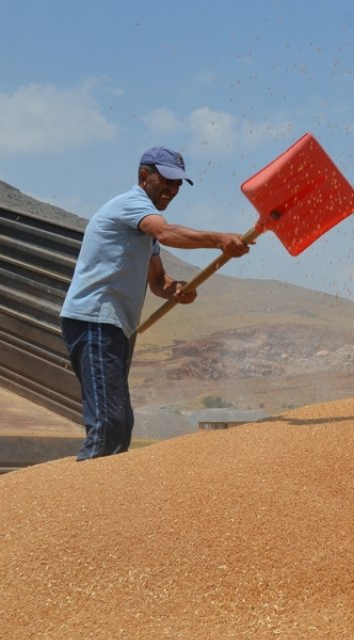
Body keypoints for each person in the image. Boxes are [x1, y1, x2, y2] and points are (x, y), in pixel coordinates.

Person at [60, 146, 250, 460]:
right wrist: (218, 239)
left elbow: (158, 282)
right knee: (108, 425)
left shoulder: (142, 230)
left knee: (121, 424)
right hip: (94, 319)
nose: (173, 190)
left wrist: (177, 289)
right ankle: (82, 500)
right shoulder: (132, 205)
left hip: (116, 325)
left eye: (178, 184)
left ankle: (103, 498)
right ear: (144, 176)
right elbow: (166, 232)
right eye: (167, 181)